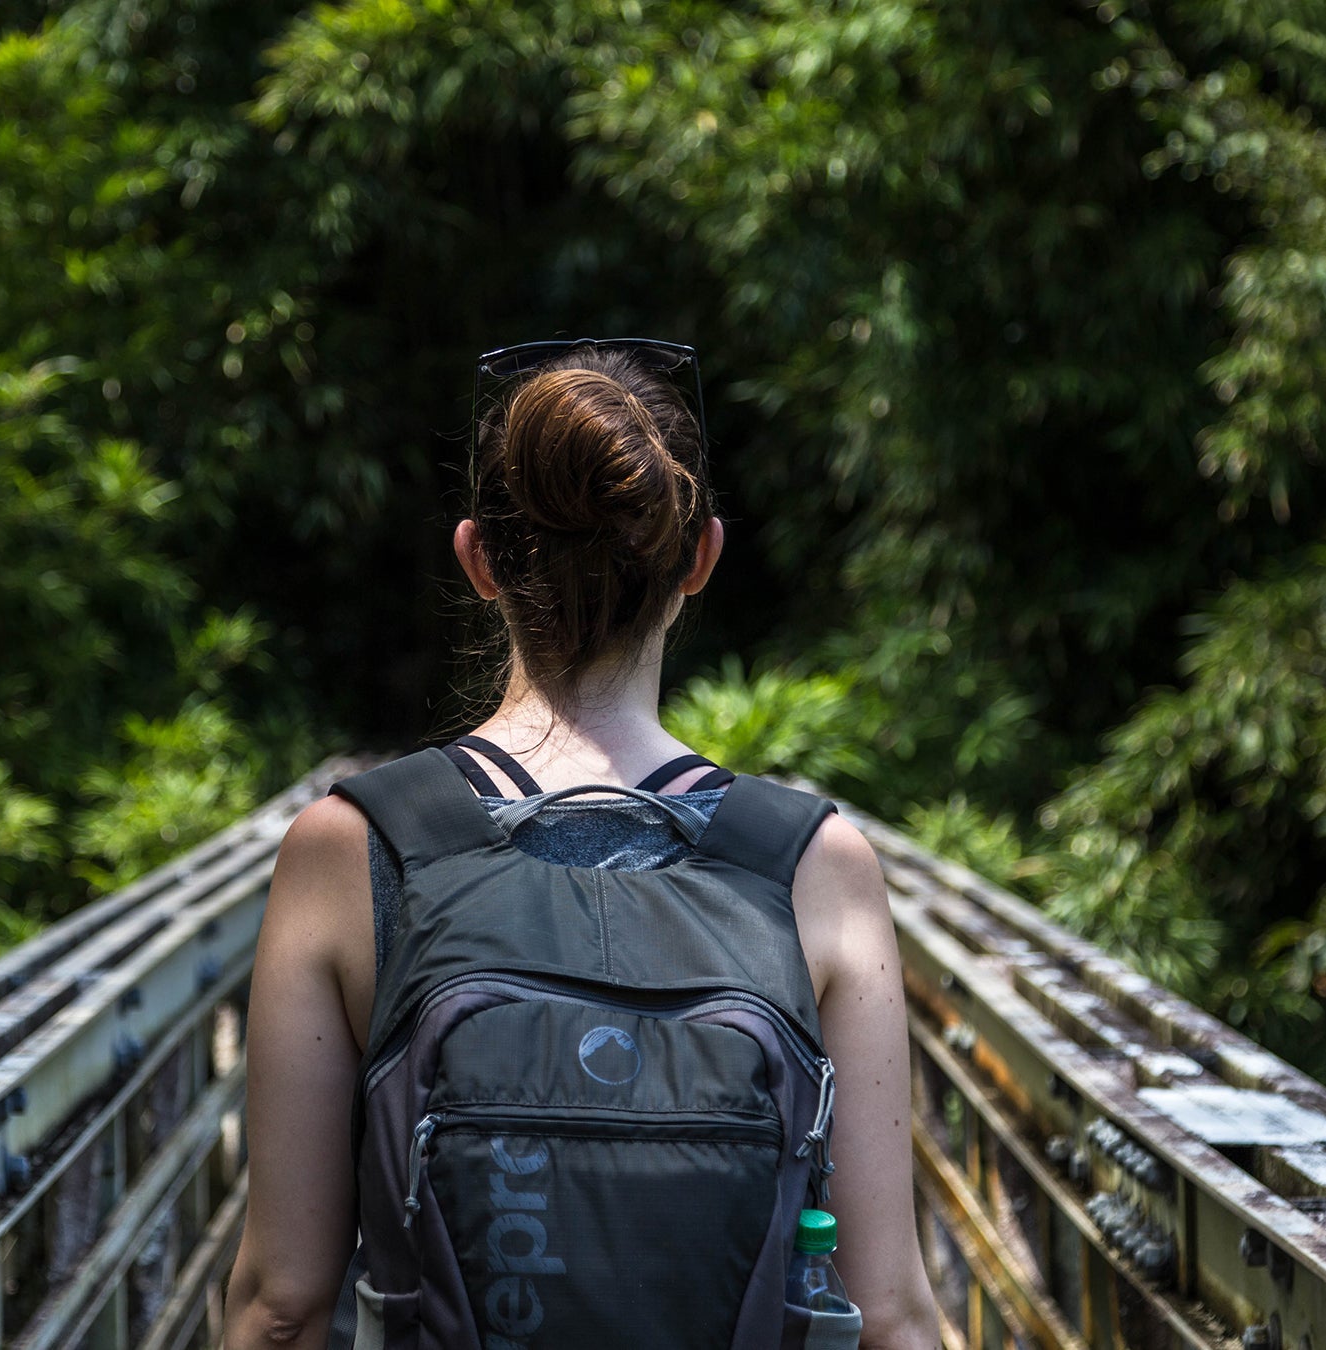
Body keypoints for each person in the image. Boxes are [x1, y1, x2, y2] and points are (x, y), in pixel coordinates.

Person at [224, 341, 942, 1349]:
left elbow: (283, 1307)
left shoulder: (355, 849)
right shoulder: (812, 865)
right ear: (701, 558)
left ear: (478, 560)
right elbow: (890, 1313)